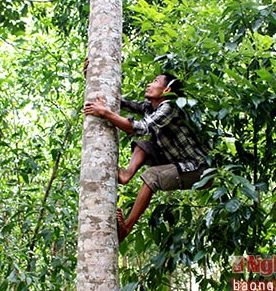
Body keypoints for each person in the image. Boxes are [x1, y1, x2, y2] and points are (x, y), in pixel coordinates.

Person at [83, 71, 211, 242]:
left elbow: (138, 127)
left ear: (167, 90)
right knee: (144, 145)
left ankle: (126, 228)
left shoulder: (170, 107)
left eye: (155, 81)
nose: (150, 84)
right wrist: (92, 77)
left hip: (199, 170)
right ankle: (126, 174)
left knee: (152, 176)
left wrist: (105, 113)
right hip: (175, 161)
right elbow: (118, 103)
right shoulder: (149, 107)